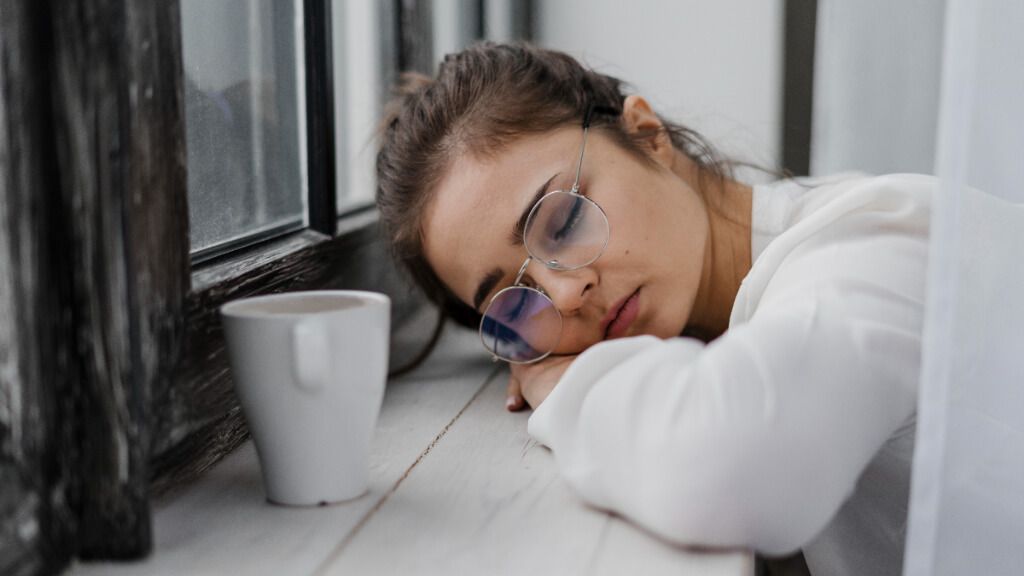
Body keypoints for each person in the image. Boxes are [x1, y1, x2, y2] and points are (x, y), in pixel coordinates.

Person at [376, 42, 930, 576]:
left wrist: (557, 379)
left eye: (564, 222)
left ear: (646, 135)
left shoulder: (872, 239)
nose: (566, 295)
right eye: (518, 301)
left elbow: (739, 472)